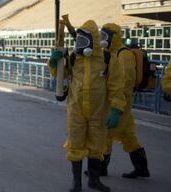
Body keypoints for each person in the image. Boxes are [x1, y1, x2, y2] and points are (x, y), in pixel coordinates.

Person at [49, 20, 125, 192]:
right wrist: (54, 63)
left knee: (96, 146)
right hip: (76, 110)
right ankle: (77, 183)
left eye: (84, 42)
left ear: (94, 41)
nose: (80, 46)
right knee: (75, 145)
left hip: (98, 112)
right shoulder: (75, 58)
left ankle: (94, 180)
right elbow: (60, 75)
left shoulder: (107, 60)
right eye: (78, 42)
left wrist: (115, 109)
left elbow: (116, 86)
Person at [97, 23, 150, 179]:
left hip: (120, 102)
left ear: (114, 37)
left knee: (106, 133)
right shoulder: (109, 53)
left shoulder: (123, 55)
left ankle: (101, 168)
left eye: (105, 37)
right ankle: (142, 168)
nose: (103, 40)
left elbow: (126, 82)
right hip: (118, 101)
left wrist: (116, 105)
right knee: (127, 135)